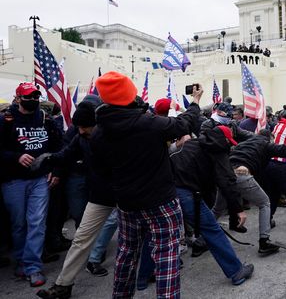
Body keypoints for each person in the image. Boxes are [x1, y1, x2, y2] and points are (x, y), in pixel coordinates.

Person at [90, 72, 202, 298]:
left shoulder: (99, 132)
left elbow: (101, 171)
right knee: (167, 255)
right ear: (130, 94)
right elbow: (183, 123)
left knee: (126, 254)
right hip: (161, 201)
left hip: (127, 203)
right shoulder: (147, 123)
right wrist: (195, 102)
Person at [36, 99, 120, 299]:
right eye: (79, 127)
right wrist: (48, 158)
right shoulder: (81, 138)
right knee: (81, 238)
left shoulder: (116, 135)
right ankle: (63, 285)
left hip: (126, 194)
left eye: (85, 127)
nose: (81, 131)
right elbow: (66, 154)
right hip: (100, 195)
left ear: (98, 123)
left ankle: (157, 269)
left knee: (141, 236)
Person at [169, 123, 254, 284]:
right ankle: (236, 272)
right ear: (223, 141)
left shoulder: (192, 144)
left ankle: (144, 277)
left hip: (165, 191)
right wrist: (238, 209)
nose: (229, 145)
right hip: (186, 194)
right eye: (228, 142)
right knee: (213, 230)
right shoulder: (218, 151)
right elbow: (227, 182)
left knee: (159, 233)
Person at [214, 128, 286, 255]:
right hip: (241, 174)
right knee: (264, 203)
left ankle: (201, 240)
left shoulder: (243, 144)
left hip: (225, 175)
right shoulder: (265, 145)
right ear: (270, 138)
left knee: (217, 209)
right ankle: (264, 241)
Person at [0, 83, 63, 288]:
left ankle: (33, 266)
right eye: (29, 96)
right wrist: (16, 156)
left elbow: (59, 148)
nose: (34, 100)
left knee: (36, 222)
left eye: (36, 96)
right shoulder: (5, 121)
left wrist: (56, 170)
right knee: (19, 224)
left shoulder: (46, 120)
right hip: (13, 181)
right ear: (18, 98)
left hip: (40, 180)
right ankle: (21, 260)